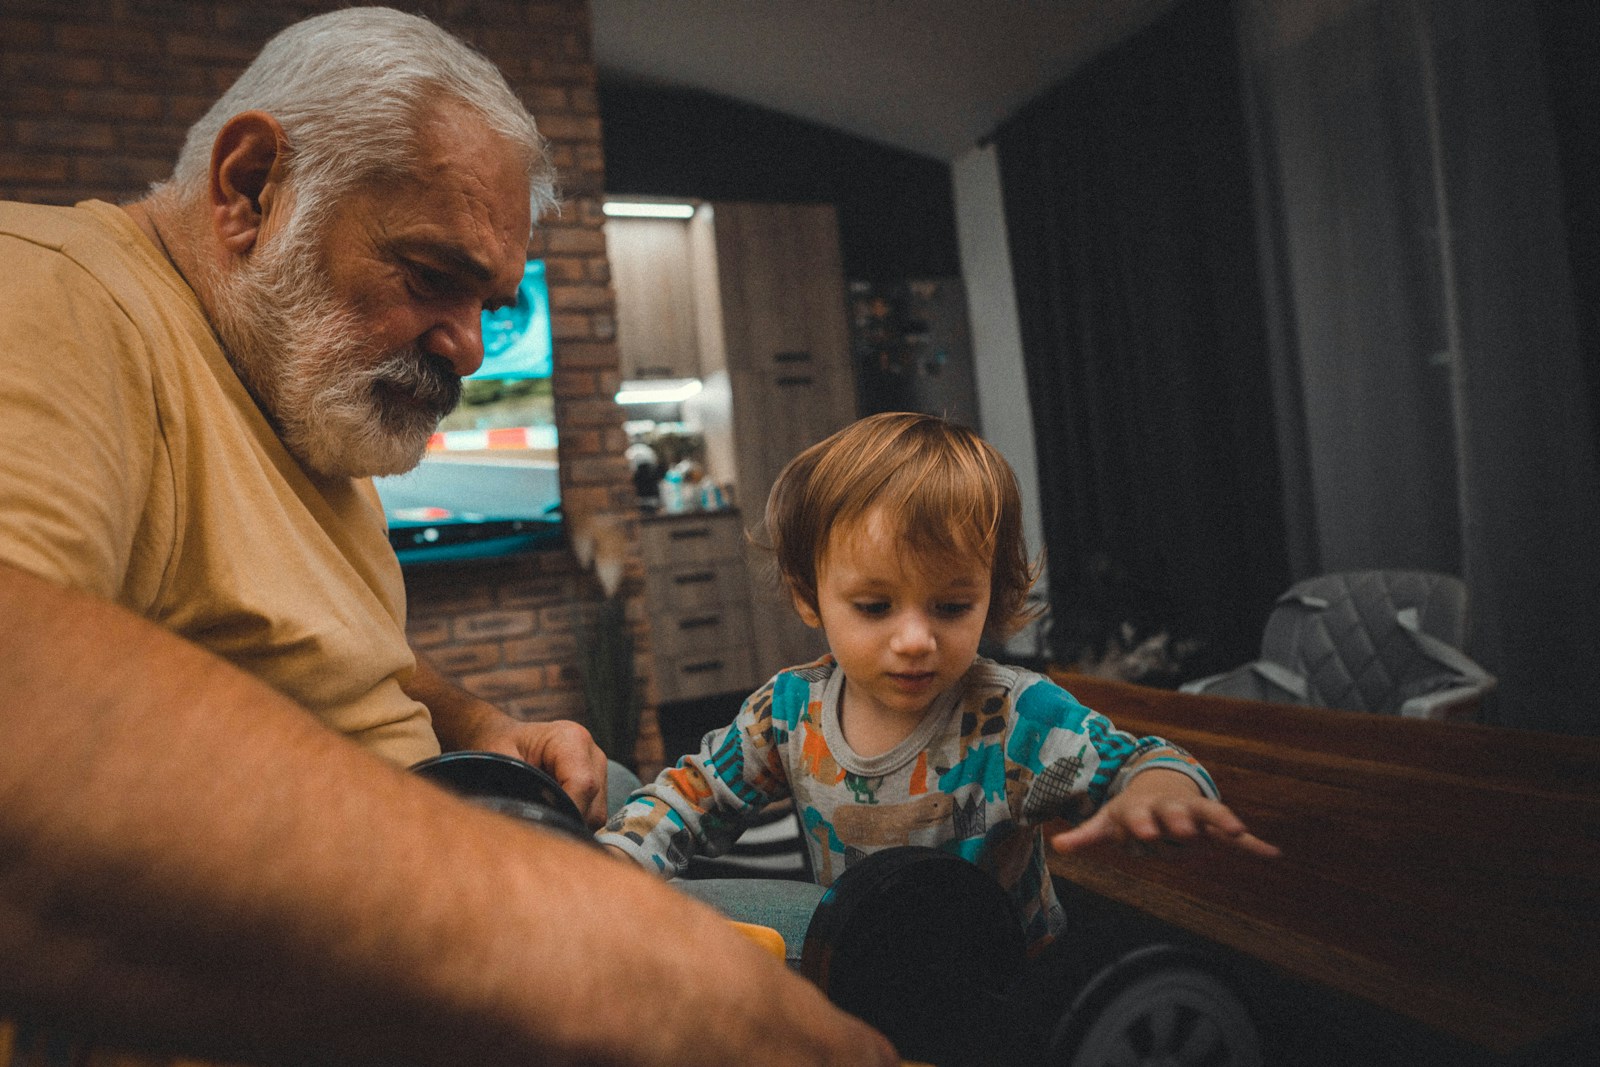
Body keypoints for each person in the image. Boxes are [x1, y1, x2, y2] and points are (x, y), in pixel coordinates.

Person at [0, 8, 897, 1067]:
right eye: (431, 275)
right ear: (250, 188)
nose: (468, 344)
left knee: (887, 939)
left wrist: (473, 717)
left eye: (489, 302)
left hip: (479, 835)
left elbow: (301, 640)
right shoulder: (55, 291)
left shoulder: (295, 386)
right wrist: (595, 953)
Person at [600, 412, 1279, 948]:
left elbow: (1138, 759)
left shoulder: (1015, 718)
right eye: (874, 606)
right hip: (861, 962)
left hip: (1008, 977)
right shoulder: (785, 712)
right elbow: (689, 796)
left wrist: (1157, 788)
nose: (917, 638)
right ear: (810, 596)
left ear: (994, 593)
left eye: (952, 606)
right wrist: (612, 866)